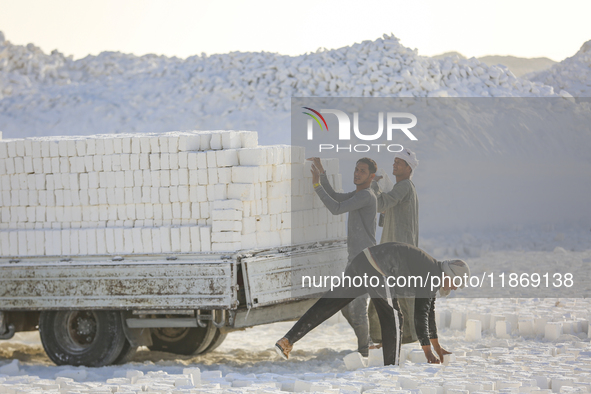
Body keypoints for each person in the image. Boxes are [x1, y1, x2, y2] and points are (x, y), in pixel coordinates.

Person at [275, 242, 470, 366]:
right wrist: (428, 352)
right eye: (456, 284)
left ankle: (287, 341)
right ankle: (391, 371)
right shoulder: (431, 274)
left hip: (362, 260)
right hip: (377, 268)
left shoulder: (431, 271)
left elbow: (428, 312)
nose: (453, 289)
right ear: (450, 274)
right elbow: (420, 315)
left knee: (329, 303)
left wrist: (436, 346)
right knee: (394, 317)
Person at [307, 157, 377, 357]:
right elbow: (337, 198)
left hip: (366, 261)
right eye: (356, 169)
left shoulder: (366, 196)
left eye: (362, 171)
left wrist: (316, 184)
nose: (357, 173)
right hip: (354, 260)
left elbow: (335, 208)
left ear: (371, 176)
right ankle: (367, 343)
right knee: (345, 305)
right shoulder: (358, 195)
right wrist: (322, 175)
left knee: (358, 306)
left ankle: (365, 351)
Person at [369, 148, 419, 346]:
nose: (395, 164)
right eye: (395, 161)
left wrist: (374, 185)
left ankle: (388, 338)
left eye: (400, 162)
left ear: (409, 168)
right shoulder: (404, 188)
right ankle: (403, 337)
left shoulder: (404, 186)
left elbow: (380, 202)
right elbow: (384, 212)